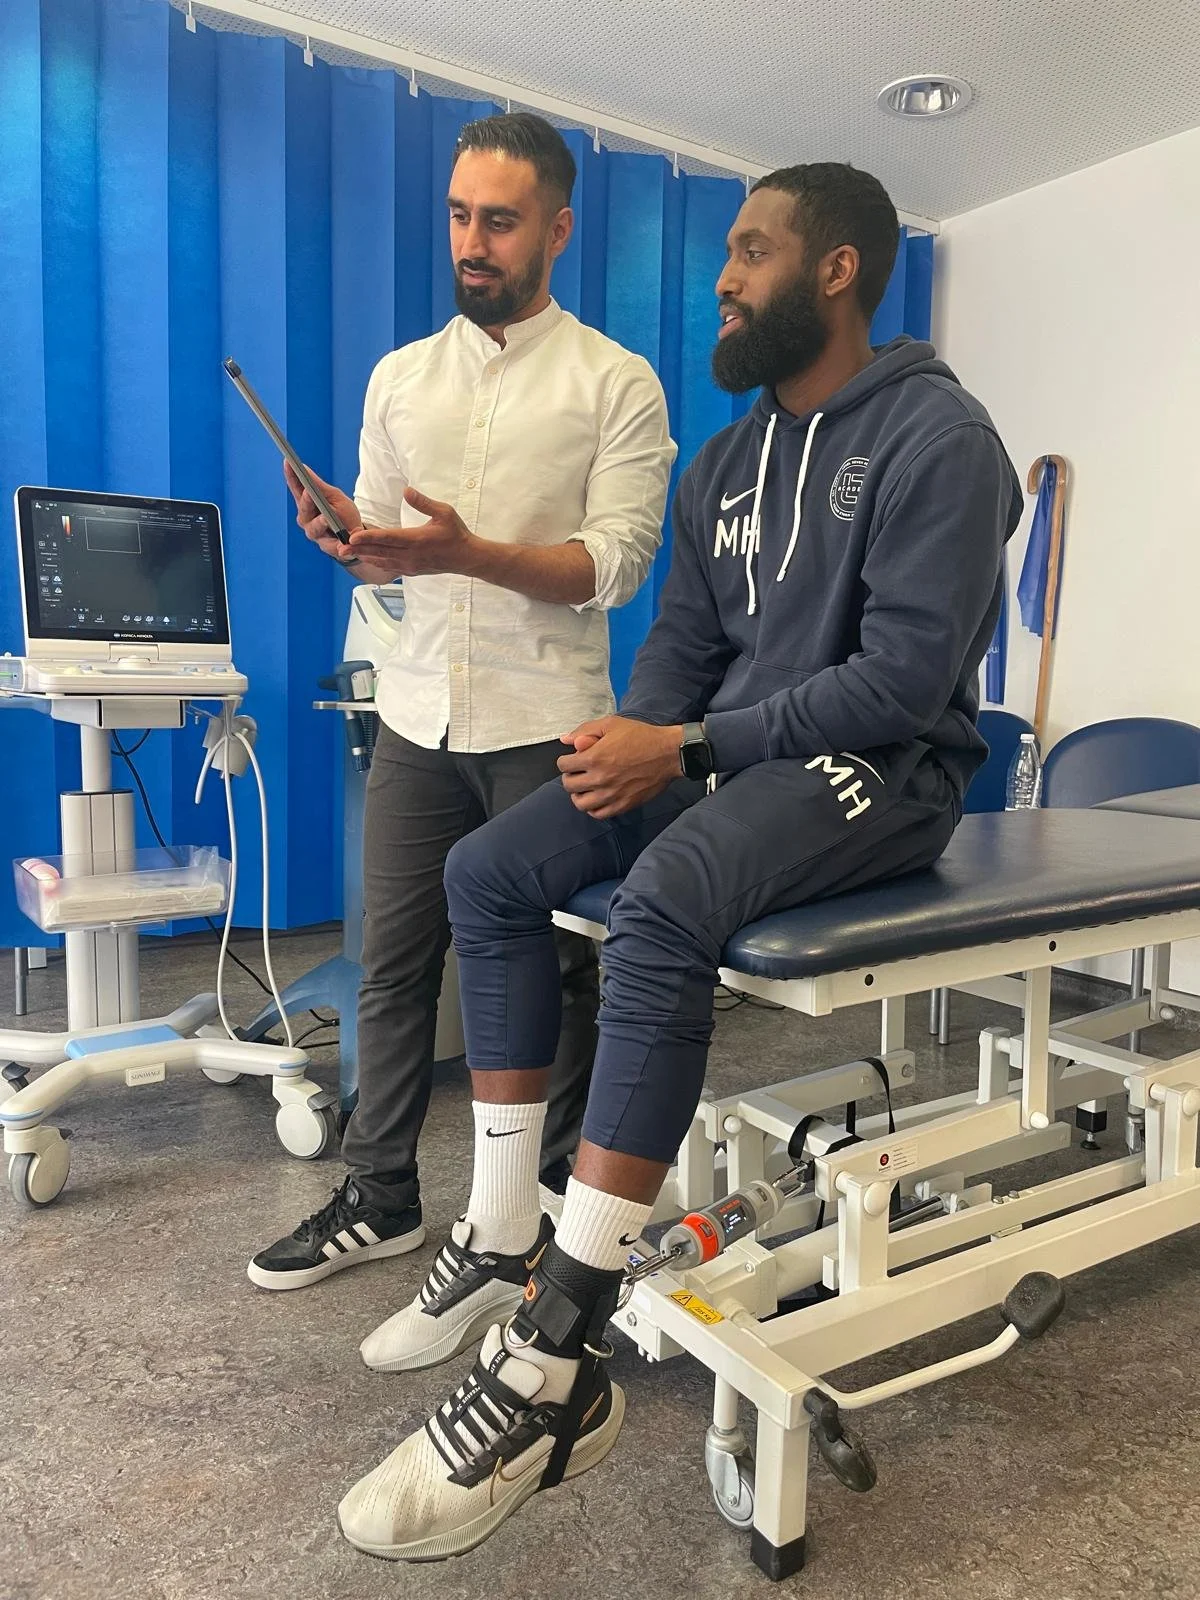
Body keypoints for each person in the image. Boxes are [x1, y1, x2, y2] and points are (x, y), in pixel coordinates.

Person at [336, 161, 1023, 1562]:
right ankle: (503, 1227)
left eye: (752, 251)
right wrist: (632, 740)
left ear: (836, 270)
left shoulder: (939, 440)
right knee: (491, 871)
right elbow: (678, 663)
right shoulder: (725, 465)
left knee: (663, 906)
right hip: (736, 750)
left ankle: (557, 1358)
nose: (725, 275)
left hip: (884, 772)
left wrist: (688, 750)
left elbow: (900, 684)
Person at [246, 112, 675, 1299]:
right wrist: (352, 535)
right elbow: (395, 554)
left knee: (554, 965)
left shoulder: (615, 382)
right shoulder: (402, 377)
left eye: (498, 220)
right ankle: (381, 1192)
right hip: (418, 718)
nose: (471, 242)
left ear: (557, 227)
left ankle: (539, 1213)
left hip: (549, 723)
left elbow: (616, 564)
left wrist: (466, 553)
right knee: (389, 962)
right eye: (457, 215)